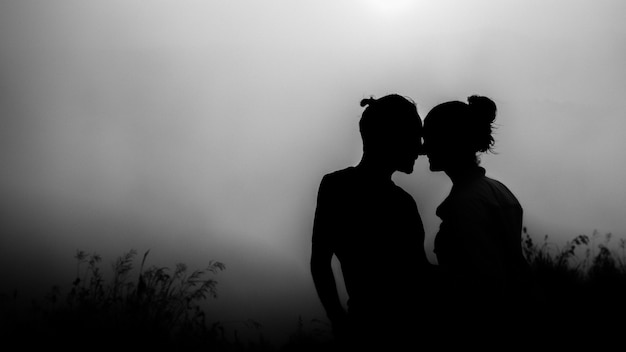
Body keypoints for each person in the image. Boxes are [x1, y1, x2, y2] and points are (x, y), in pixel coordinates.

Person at [310, 94, 432, 349]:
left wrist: (339, 320)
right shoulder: (401, 202)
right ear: (393, 138)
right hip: (402, 331)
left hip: (368, 329)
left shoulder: (336, 186)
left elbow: (320, 262)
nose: (421, 148)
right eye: (414, 136)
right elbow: (420, 274)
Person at [422, 95, 537, 346]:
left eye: (430, 137)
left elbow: (480, 284)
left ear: (450, 141)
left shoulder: (465, 205)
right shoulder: (499, 191)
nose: (423, 147)